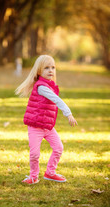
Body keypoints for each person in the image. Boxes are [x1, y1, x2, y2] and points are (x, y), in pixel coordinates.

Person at [15, 55, 77, 184]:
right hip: (35, 127)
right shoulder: (42, 87)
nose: (51, 70)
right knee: (34, 154)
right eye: (46, 68)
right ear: (39, 71)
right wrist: (68, 114)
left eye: (53, 67)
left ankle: (50, 172)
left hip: (47, 127)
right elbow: (57, 100)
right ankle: (33, 176)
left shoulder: (50, 86)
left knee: (59, 148)